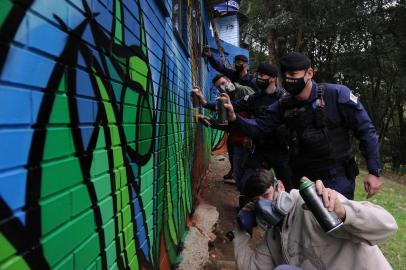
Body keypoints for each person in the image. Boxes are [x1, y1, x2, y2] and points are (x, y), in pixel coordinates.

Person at [223, 52, 383, 199]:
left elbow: (366, 131)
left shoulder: (336, 95)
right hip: (301, 178)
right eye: (285, 76)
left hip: (337, 179)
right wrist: (235, 117)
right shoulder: (284, 105)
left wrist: (374, 171)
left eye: (293, 74)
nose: (289, 80)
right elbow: (259, 126)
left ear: (309, 73)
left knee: (333, 225)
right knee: (301, 226)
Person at [231, 169, 397, 270]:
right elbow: (252, 267)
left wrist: (343, 211)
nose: (264, 206)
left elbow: (387, 226)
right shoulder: (272, 236)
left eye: (267, 195)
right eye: (257, 202)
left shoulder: (315, 204)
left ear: (280, 186)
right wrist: (240, 230)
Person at [197, 63, 293, 206]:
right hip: (260, 148)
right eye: (258, 75)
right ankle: (246, 215)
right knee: (247, 182)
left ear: (272, 78)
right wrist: (205, 104)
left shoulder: (284, 99)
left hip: (280, 150)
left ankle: (287, 218)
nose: (258, 78)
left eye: (261, 76)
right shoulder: (254, 98)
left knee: (288, 188)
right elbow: (232, 106)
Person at [199, 74, 254, 185]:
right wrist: (206, 112)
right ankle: (236, 174)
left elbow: (255, 110)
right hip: (237, 132)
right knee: (233, 150)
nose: (222, 87)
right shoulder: (226, 98)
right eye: (219, 87)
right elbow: (225, 123)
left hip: (248, 132)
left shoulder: (243, 90)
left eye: (223, 83)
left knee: (247, 164)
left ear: (229, 80)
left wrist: (251, 135)